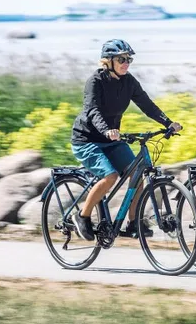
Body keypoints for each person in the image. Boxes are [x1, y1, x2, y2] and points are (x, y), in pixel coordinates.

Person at [71, 39, 182, 241]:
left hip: (111, 139)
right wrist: (106, 130)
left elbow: (147, 105)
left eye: (129, 59)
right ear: (108, 61)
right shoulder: (95, 81)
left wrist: (168, 123)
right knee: (110, 177)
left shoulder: (128, 81)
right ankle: (82, 216)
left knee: (138, 174)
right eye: (121, 59)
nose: (126, 63)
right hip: (87, 140)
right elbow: (92, 111)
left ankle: (133, 223)